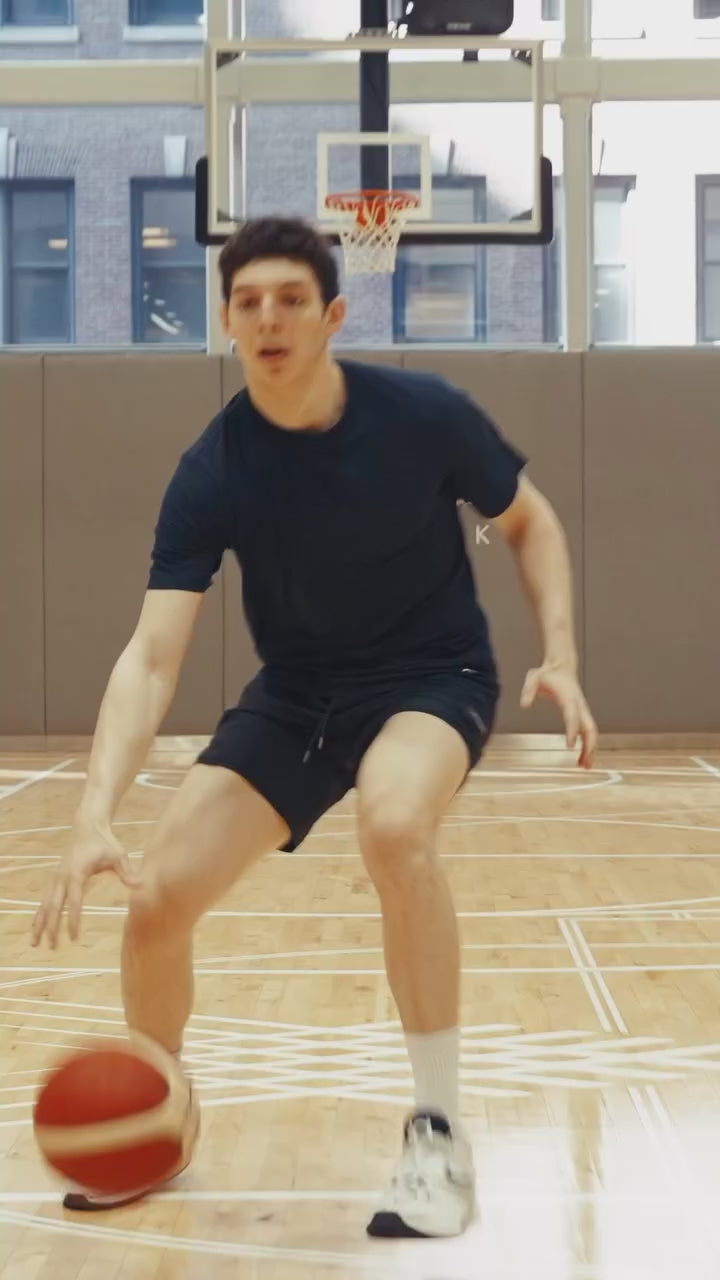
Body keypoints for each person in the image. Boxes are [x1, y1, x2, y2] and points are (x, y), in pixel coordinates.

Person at [31, 216, 597, 1238]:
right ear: (225, 320)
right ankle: (154, 1121)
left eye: (291, 299)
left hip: (433, 675)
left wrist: (558, 651)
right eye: (248, 302)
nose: (269, 319)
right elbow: (152, 657)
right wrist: (92, 811)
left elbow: (530, 520)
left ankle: (439, 1134)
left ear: (332, 315)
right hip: (300, 694)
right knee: (156, 897)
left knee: (395, 823)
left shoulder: (420, 415)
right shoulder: (215, 467)